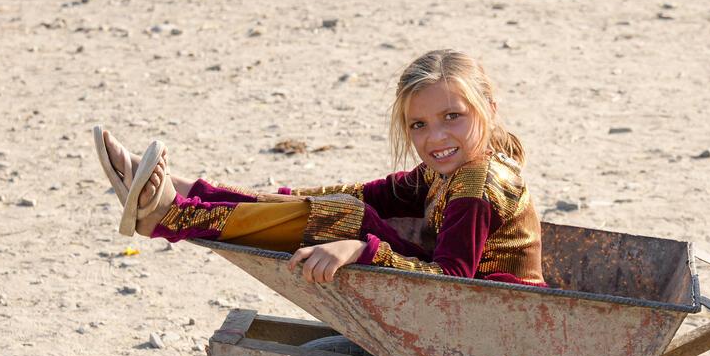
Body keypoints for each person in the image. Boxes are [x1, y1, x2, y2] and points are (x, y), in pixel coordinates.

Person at [93, 49, 543, 287]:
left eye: (453, 117)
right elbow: (369, 193)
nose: (436, 138)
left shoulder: (478, 182)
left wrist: (359, 250)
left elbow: (451, 282)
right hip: (472, 310)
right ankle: (184, 196)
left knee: (348, 221)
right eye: (419, 125)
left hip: (492, 319)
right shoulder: (455, 168)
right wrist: (277, 195)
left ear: (489, 107)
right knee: (346, 208)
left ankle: (173, 215)